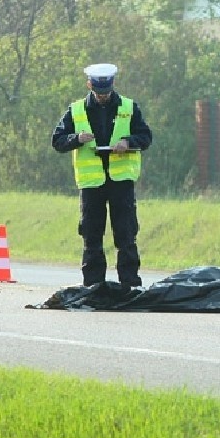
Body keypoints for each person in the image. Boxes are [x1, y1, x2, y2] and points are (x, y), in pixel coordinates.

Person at [51, 63, 153, 289]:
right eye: (99, 93)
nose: (103, 97)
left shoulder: (128, 107)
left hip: (121, 181)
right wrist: (77, 139)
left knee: (126, 234)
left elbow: (145, 136)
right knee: (91, 235)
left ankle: (130, 284)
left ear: (112, 86)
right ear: (89, 85)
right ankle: (93, 285)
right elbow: (57, 141)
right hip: (92, 183)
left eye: (106, 93)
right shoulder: (76, 110)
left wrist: (128, 142)